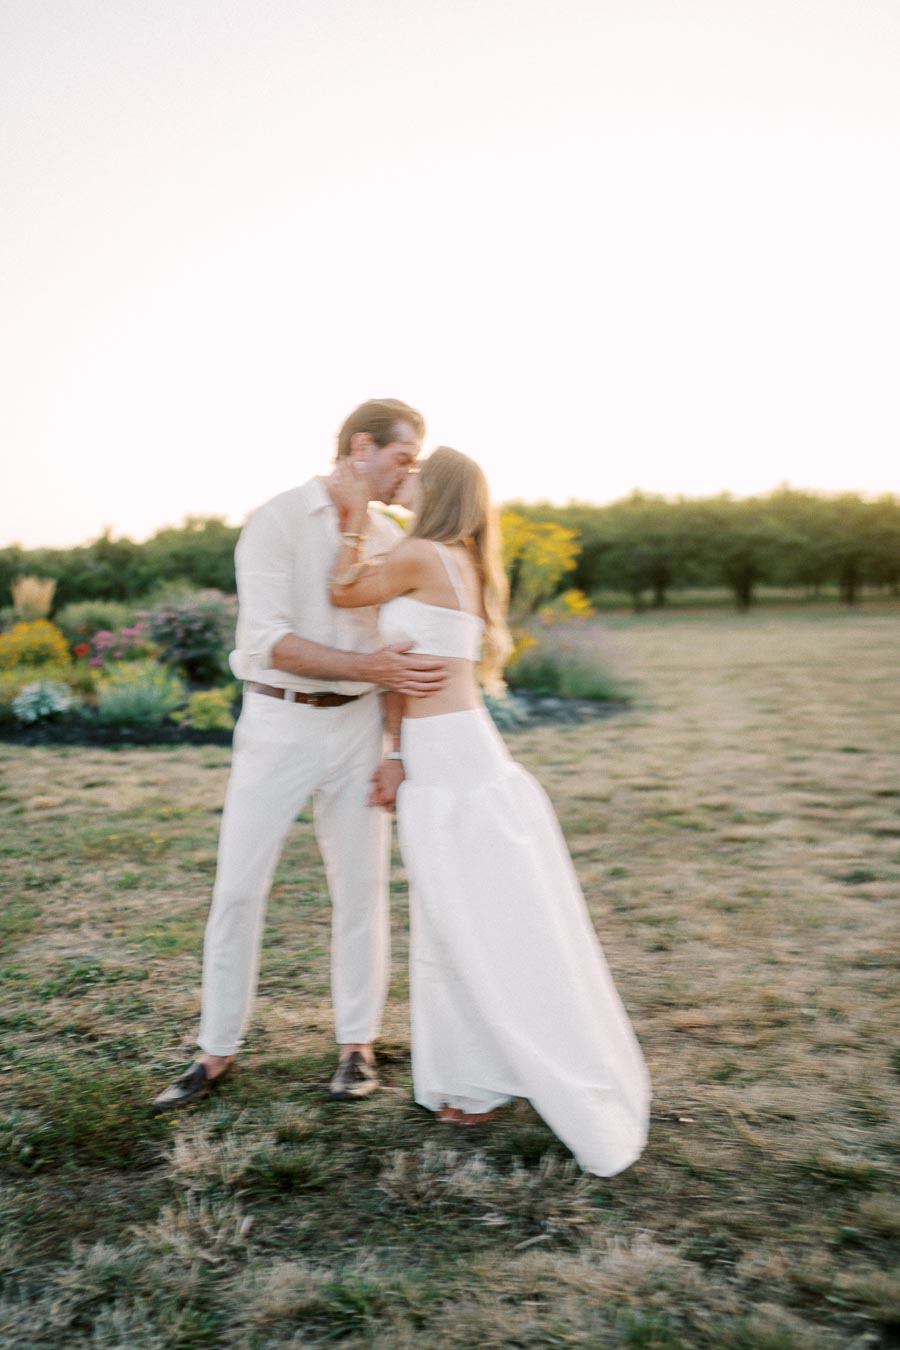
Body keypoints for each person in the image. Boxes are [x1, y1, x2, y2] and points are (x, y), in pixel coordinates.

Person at [328, 446, 649, 1175]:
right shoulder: (459, 558)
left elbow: (344, 591)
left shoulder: (420, 553)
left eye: (414, 472)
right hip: (445, 748)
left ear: (433, 490)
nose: (401, 479)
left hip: (459, 758)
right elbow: (408, 672)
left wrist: (352, 518)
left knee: (479, 916)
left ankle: (499, 1074)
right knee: (453, 915)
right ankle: (474, 1078)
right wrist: (397, 753)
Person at [152, 398, 446, 1112]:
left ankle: (356, 1047)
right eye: (402, 458)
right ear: (360, 448)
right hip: (277, 725)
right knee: (238, 888)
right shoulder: (277, 521)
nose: (408, 474)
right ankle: (215, 1051)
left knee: (361, 889)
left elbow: (399, 647)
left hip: (359, 731)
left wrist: (396, 749)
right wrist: (371, 671)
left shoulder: (387, 535)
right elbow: (267, 644)